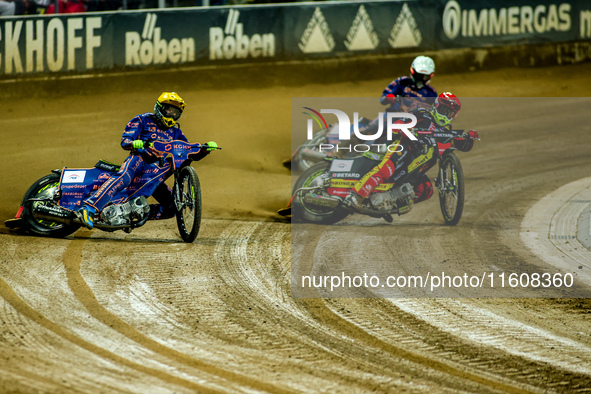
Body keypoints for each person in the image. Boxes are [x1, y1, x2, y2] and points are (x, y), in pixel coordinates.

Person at [76, 92, 218, 229]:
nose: (173, 115)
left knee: (171, 208)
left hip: (156, 170)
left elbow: (186, 152)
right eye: (169, 110)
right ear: (160, 109)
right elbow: (125, 141)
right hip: (139, 159)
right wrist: (136, 143)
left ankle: (131, 213)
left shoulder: (176, 132)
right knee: (124, 177)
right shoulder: (142, 119)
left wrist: (204, 149)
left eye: (176, 112)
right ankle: (89, 208)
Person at [344, 92, 478, 211]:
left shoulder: (447, 130)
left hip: (416, 167)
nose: (445, 115)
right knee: (386, 169)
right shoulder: (421, 113)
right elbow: (397, 124)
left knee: (426, 189)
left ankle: (391, 202)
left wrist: (469, 138)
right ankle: (355, 195)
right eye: (443, 110)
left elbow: (460, 145)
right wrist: (408, 132)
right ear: (436, 107)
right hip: (403, 148)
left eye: (449, 113)